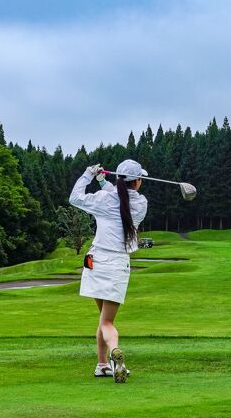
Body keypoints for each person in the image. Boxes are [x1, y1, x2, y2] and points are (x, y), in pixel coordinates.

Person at [69, 159, 148, 383]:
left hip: (95, 261)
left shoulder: (105, 199)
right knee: (107, 322)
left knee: (103, 319)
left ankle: (102, 365)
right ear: (138, 182)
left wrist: (89, 175)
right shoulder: (141, 203)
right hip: (117, 264)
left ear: (118, 180)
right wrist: (104, 183)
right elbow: (120, 198)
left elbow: (75, 198)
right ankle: (114, 353)